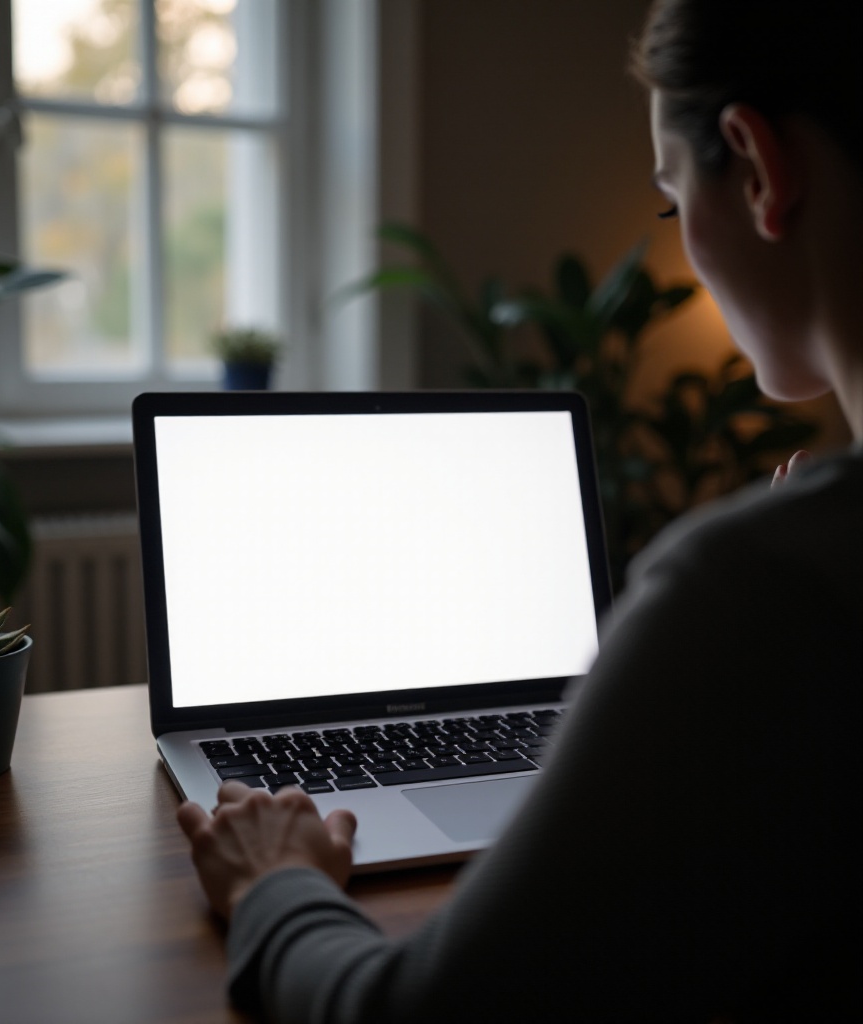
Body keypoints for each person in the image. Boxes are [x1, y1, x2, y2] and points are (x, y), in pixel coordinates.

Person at [177, 0, 863, 1019]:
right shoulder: (785, 580)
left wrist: (277, 882)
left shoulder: (757, 590)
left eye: (672, 202)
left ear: (754, 168)